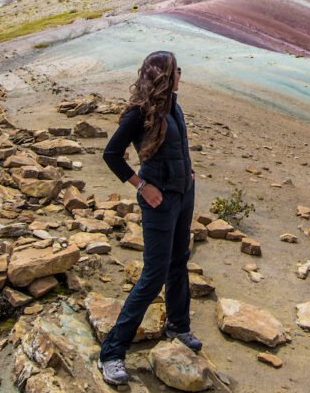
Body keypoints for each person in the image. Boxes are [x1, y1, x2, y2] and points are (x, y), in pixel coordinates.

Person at [97, 50, 200, 386]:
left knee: (178, 261)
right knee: (153, 275)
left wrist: (189, 174)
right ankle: (112, 352)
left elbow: (179, 147)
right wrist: (142, 186)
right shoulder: (139, 112)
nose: (181, 74)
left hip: (183, 196)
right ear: (165, 75)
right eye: (177, 70)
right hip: (159, 201)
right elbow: (112, 154)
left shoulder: (173, 105)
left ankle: (178, 326)